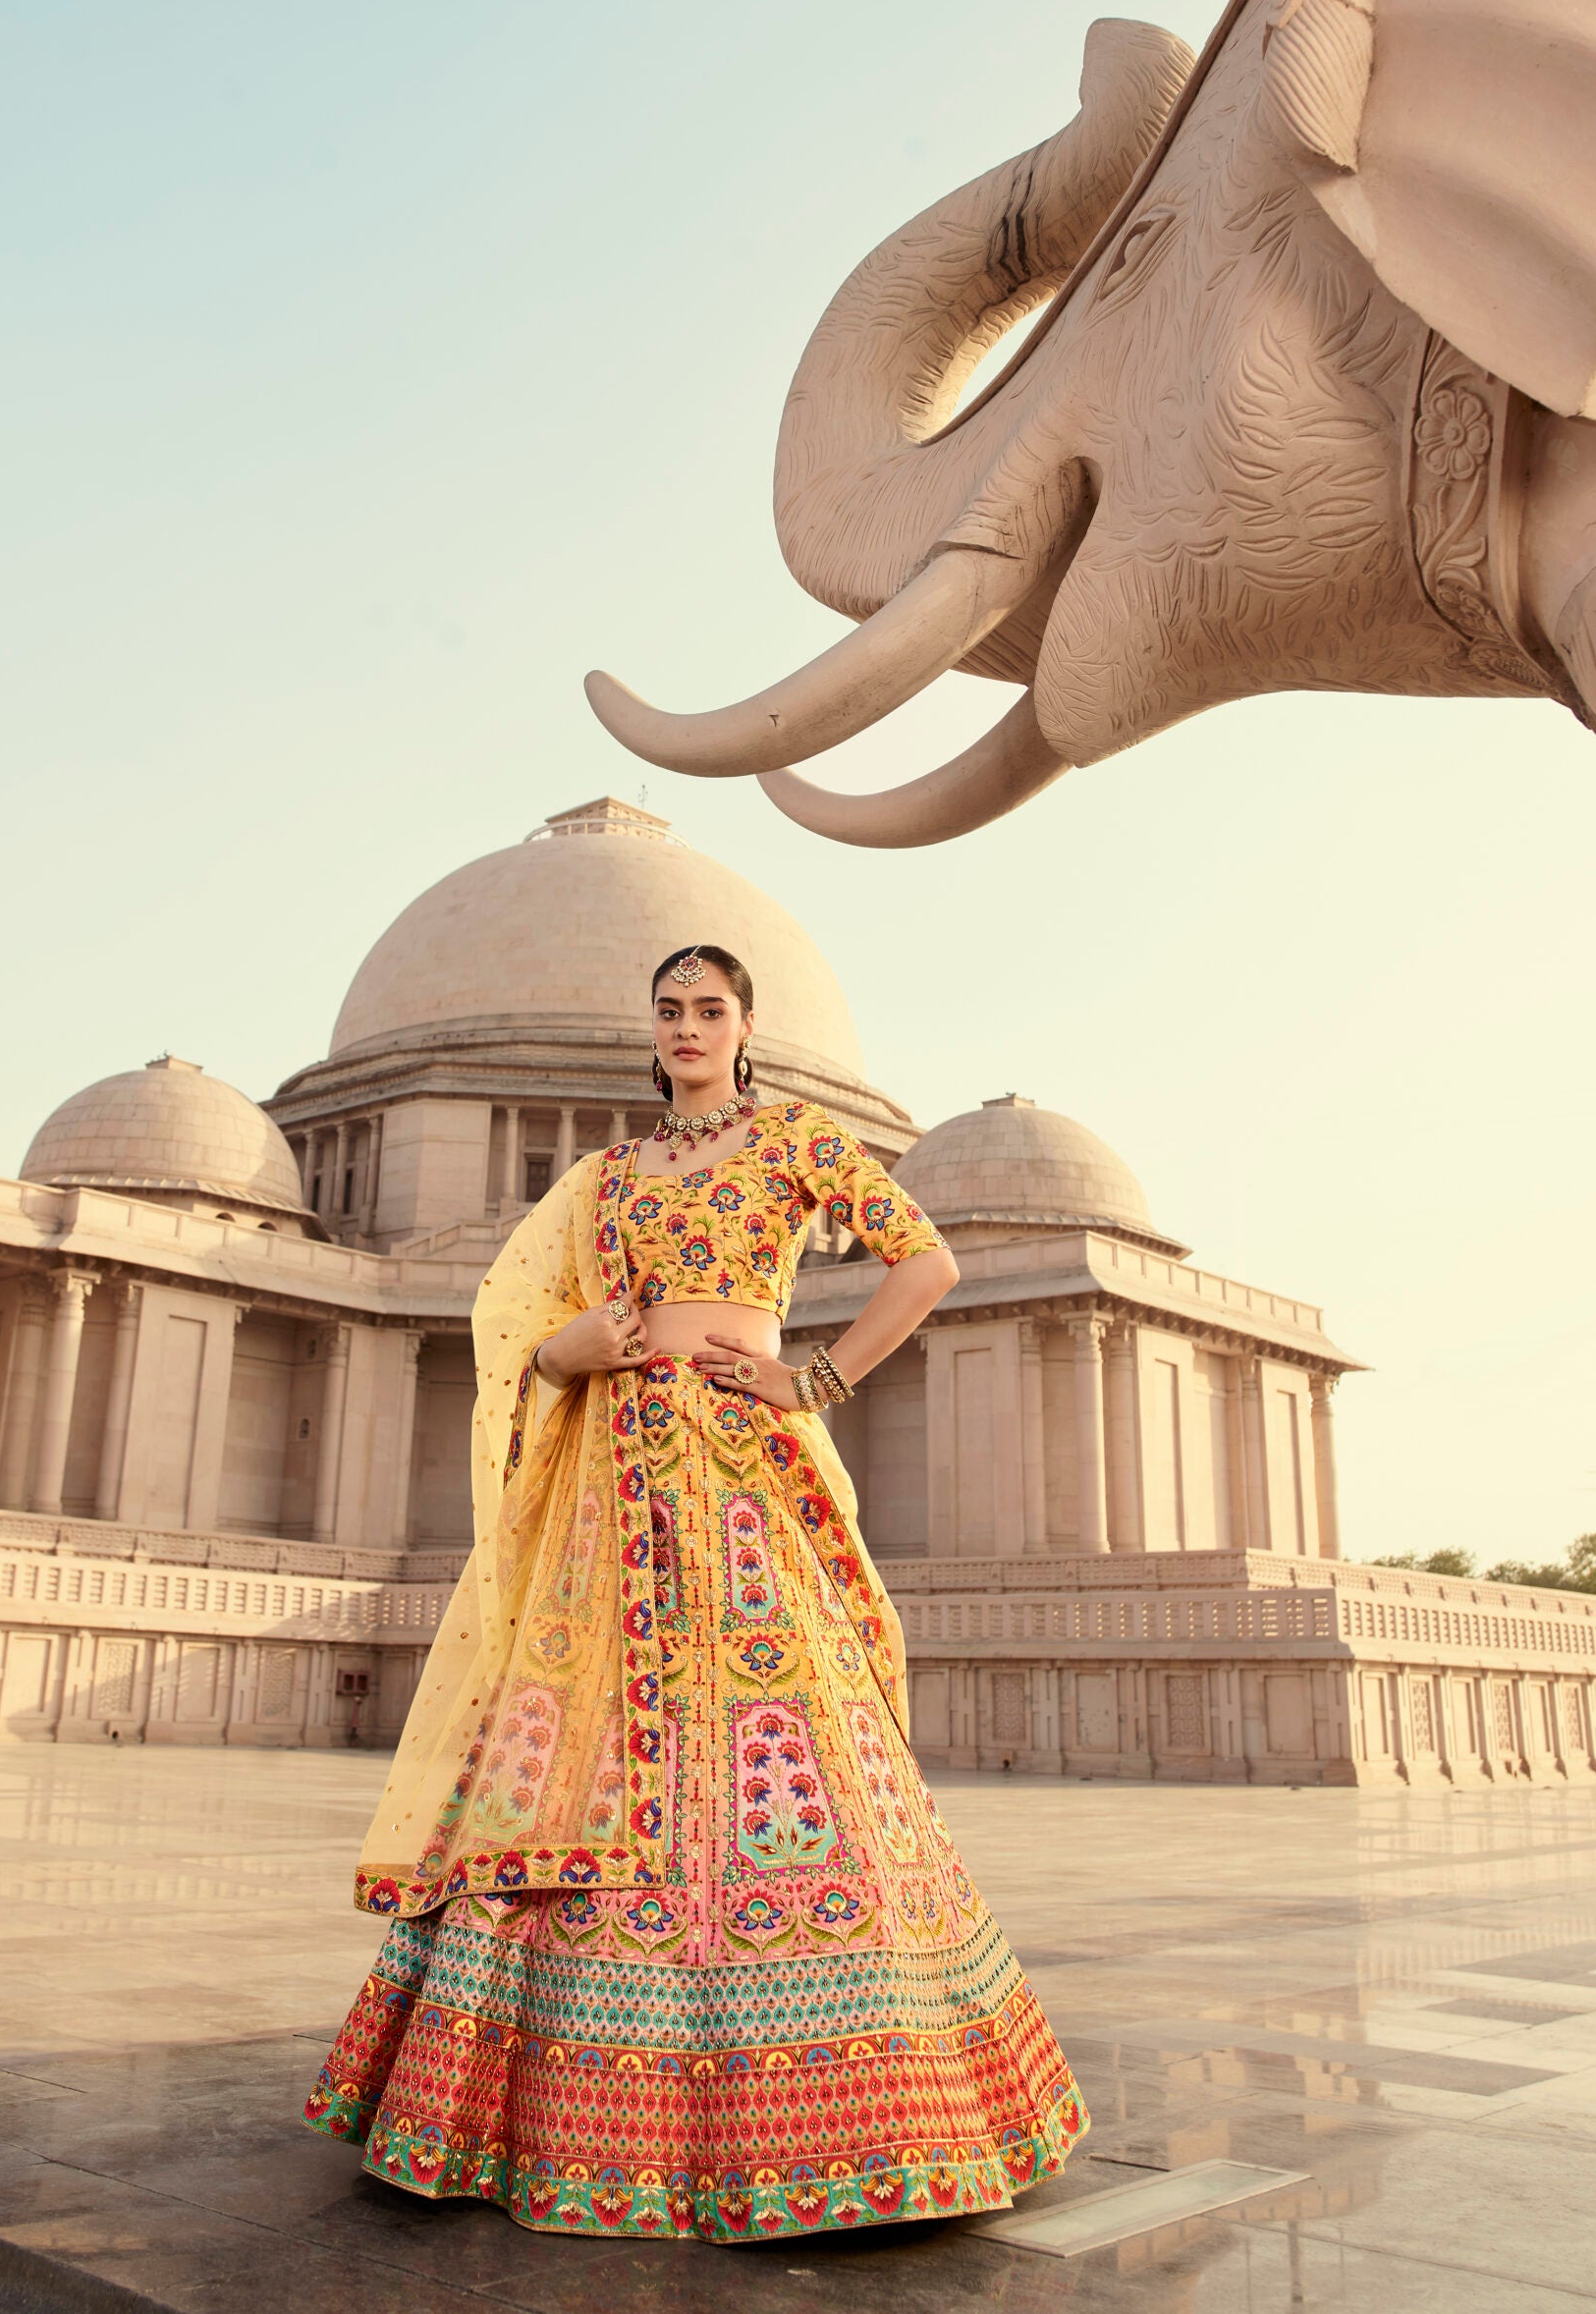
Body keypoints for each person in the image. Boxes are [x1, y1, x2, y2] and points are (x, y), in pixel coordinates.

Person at [304, 944, 1086, 2241]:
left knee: (776, 1732)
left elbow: (927, 1262)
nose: (686, 1028)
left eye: (709, 1010)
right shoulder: (606, 1178)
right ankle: (528, 2116)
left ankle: (847, 2114)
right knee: (579, 1743)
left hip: (739, 1469)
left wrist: (816, 1379)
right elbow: (522, 1320)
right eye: (668, 1011)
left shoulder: (795, 1141)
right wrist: (564, 1354)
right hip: (611, 1483)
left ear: (746, 1026)